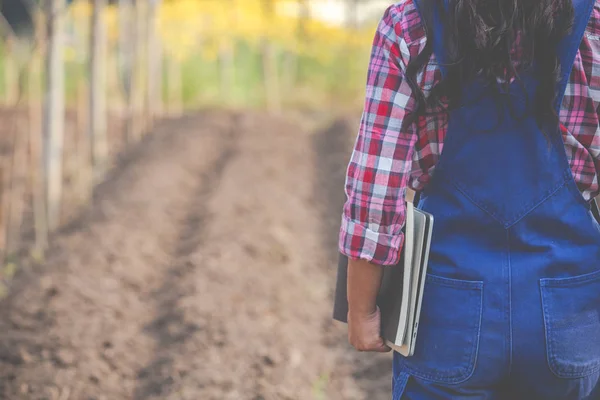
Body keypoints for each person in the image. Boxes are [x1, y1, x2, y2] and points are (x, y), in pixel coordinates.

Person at [338, 0, 600, 398]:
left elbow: (375, 184)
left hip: (448, 318)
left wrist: (361, 308)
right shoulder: (593, 24)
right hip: (568, 314)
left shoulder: (410, 24)